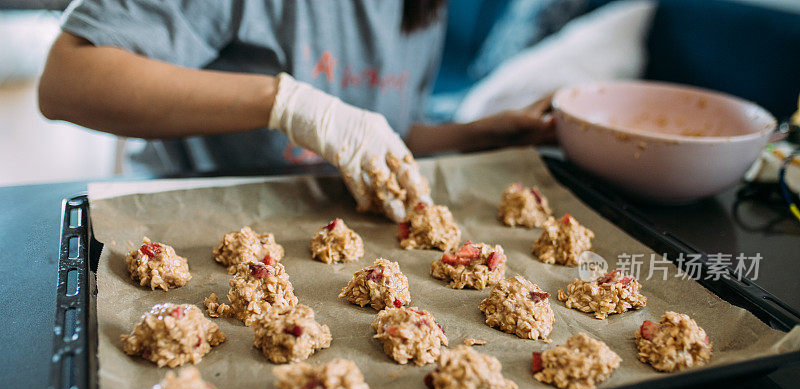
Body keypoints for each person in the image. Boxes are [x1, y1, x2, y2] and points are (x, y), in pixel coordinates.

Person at [39, 0, 555, 221]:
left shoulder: (422, 8)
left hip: (329, 219)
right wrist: (286, 103)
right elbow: (68, 80)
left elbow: (374, 134)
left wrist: (477, 137)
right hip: (187, 212)